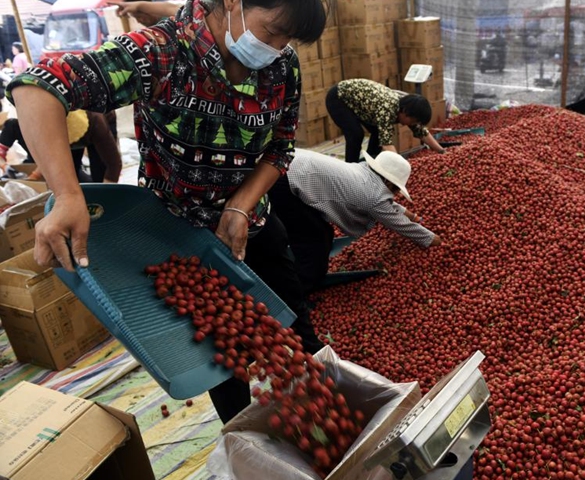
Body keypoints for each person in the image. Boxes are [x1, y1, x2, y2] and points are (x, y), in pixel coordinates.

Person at [7, 0, 328, 424]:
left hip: (252, 228)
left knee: (297, 340)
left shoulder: (281, 64)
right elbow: (38, 85)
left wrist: (239, 207)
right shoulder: (161, 53)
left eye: (288, 39)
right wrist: (67, 196)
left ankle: (324, 425)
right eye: (271, 32)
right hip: (178, 240)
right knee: (227, 364)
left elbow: (281, 145)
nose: (279, 46)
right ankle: (258, 445)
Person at [269, 148, 442, 294]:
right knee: (314, 241)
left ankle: (298, 277)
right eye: (396, 189)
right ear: (389, 183)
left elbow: (386, 204)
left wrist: (414, 216)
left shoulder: (365, 173)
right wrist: (434, 240)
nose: (395, 194)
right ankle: (297, 295)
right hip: (284, 179)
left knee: (319, 233)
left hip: (287, 164)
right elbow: (399, 224)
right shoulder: (374, 196)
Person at [326, 78, 447, 163]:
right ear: (405, 112)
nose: (413, 125)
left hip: (362, 104)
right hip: (339, 98)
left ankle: (371, 162)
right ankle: (350, 170)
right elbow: (387, 145)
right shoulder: (387, 109)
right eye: (413, 121)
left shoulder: (407, 107)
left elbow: (423, 133)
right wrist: (400, 167)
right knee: (356, 134)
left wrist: (442, 151)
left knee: (378, 133)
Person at [0, 110, 122, 183]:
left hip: (97, 120)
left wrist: (105, 195)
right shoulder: (40, 120)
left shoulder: (97, 122)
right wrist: (32, 179)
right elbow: (49, 158)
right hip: (61, 124)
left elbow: (114, 164)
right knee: (70, 174)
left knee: (100, 175)